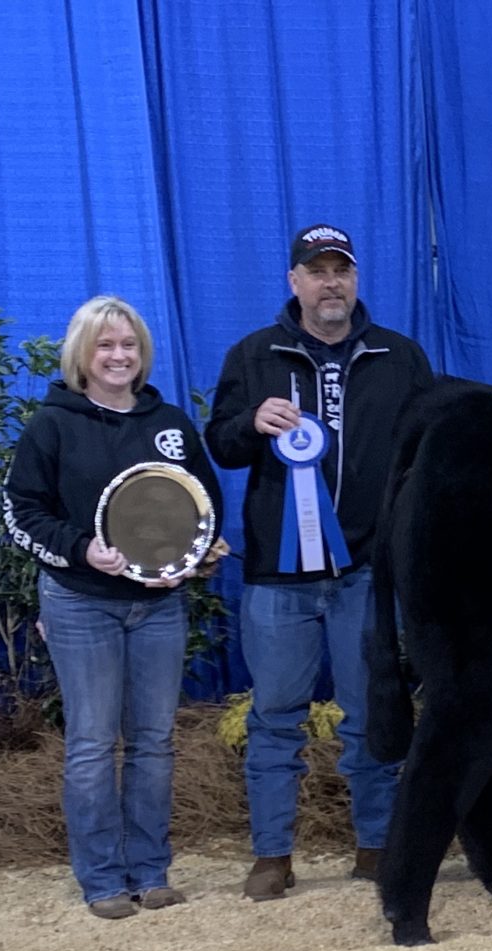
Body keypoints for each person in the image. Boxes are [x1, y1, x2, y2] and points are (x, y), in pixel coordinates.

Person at [205, 223, 434, 899]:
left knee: (371, 714)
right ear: (294, 281)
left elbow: (426, 452)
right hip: (278, 576)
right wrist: (251, 423)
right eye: (317, 269)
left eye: (342, 270)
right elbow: (220, 444)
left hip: (367, 570)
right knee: (276, 714)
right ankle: (272, 854)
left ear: (355, 280)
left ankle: (376, 844)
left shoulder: (399, 357)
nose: (331, 281)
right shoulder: (254, 356)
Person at [4, 295, 225, 918]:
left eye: (128, 344)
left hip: (159, 607)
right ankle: (102, 878)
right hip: (82, 604)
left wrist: (199, 554)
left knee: (154, 742)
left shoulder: (172, 424)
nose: (118, 355)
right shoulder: (53, 424)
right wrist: (80, 551)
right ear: (83, 353)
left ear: (142, 352)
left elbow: (201, 504)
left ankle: (151, 870)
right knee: (93, 744)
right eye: (105, 345)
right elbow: (20, 514)